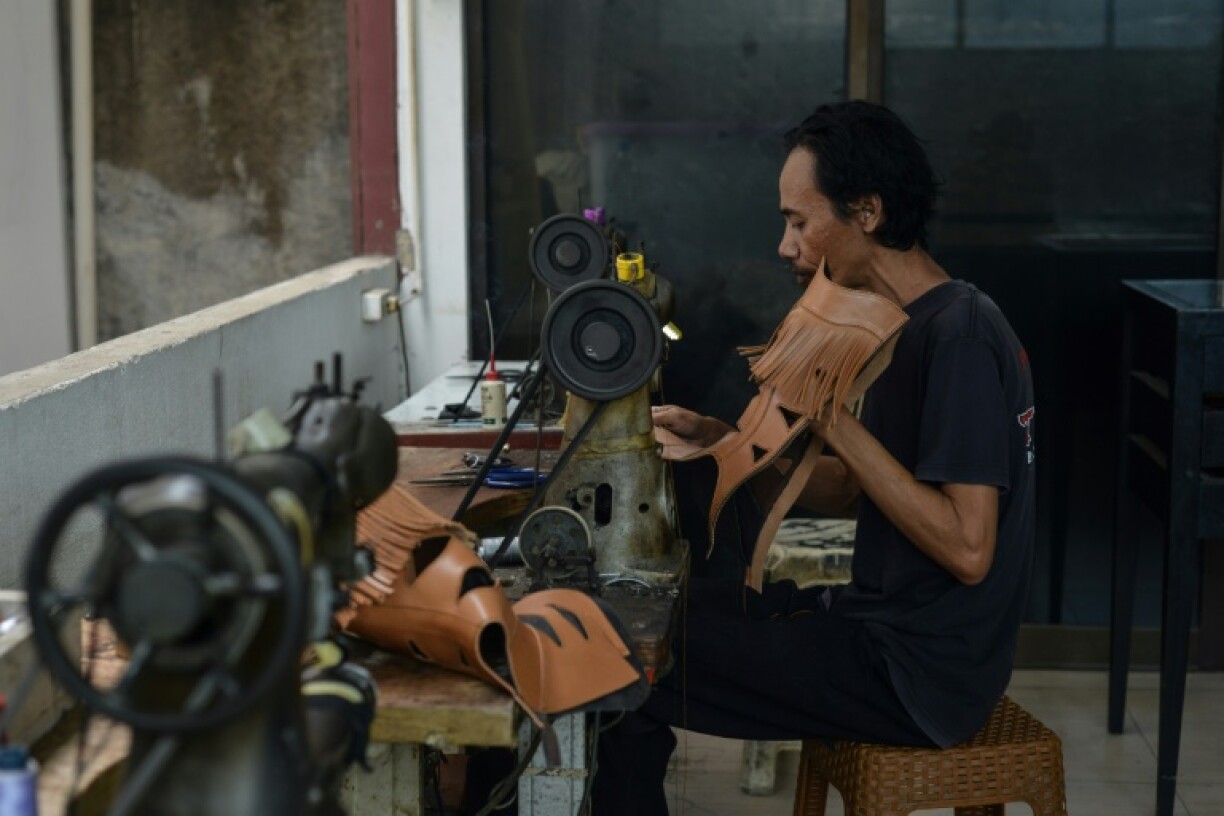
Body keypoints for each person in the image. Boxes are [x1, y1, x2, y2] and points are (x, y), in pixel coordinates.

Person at [592, 100, 1036, 814]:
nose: (784, 245)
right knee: (630, 614)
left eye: (799, 222)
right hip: (870, 628)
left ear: (866, 211)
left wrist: (836, 423)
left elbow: (967, 546)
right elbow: (853, 493)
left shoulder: (957, 337)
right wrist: (723, 443)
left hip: (912, 672)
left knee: (610, 656)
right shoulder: (906, 328)